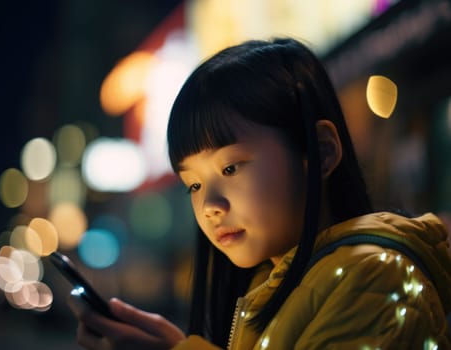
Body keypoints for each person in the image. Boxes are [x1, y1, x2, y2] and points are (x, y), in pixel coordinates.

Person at [67, 37, 451, 349]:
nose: (211, 207)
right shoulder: (274, 283)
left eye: (230, 168)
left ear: (320, 152)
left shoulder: (375, 278)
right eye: (194, 185)